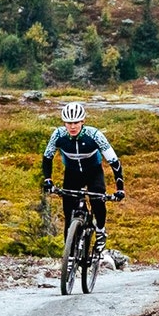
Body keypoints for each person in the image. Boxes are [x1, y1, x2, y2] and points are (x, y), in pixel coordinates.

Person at [41, 102, 124, 252]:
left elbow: (114, 162)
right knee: (68, 213)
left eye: (76, 122)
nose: (72, 126)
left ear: (83, 121)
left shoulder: (95, 135)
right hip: (72, 173)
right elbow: (47, 158)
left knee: (97, 201)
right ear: (64, 123)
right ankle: (69, 255)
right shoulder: (58, 135)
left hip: (93, 172)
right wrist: (48, 180)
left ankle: (100, 231)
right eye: (69, 123)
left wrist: (120, 189)